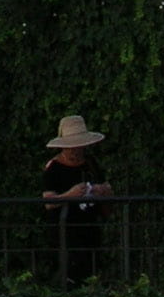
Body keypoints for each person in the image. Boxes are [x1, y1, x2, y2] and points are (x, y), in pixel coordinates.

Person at [41, 115, 113, 282]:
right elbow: (48, 201)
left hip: (89, 228)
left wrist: (100, 190)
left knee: (91, 271)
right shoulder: (54, 168)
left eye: (78, 147)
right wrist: (70, 195)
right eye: (71, 147)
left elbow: (108, 187)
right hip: (65, 232)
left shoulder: (91, 163)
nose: (75, 151)